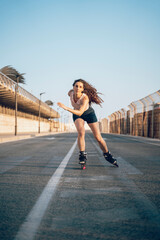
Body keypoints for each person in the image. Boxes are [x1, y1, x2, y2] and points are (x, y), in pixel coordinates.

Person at [57, 79, 118, 167]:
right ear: (73, 87)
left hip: (88, 113)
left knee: (98, 137)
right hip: (76, 114)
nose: (78, 88)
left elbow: (80, 112)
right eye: (76, 86)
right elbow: (77, 113)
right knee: (81, 132)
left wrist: (65, 108)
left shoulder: (85, 98)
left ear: (83, 89)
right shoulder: (70, 93)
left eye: (80, 87)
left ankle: (107, 154)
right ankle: (82, 155)